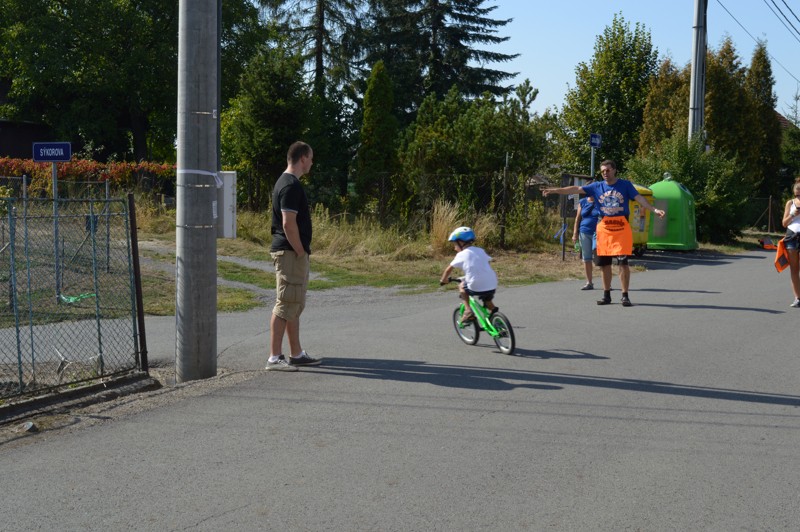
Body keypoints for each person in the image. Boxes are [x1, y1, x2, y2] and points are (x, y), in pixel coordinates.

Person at [543, 160, 666, 306]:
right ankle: (606, 295)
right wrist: (555, 190)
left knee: (623, 263)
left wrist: (654, 210)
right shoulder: (596, 186)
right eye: (602, 171)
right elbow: (576, 189)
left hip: (621, 228)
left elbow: (640, 199)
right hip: (604, 228)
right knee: (604, 264)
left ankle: (625, 295)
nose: (605, 173)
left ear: (614, 170)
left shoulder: (625, 185)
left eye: (608, 170)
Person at [266, 141, 322, 371]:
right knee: (285, 302)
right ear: (302, 158)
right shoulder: (290, 185)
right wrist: (300, 251)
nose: (311, 162)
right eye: (310, 158)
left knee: (294, 303)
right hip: (290, 252)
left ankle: (296, 353)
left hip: (291, 252)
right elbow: (289, 224)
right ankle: (275, 358)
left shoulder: (288, 182)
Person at [439, 226, 498, 322]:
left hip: (476, 284)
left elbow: (448, 270)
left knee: (462, 286)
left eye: (455, 244)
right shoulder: (480, 250)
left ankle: (468, 311)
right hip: (492, 283)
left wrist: (443, 280)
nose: (454, 248)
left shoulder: (461, 254)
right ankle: (495, 313)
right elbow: (485, 264)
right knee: (486, 297)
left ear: (461, 242)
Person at [572, 194, 599, 290]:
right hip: (584, 232)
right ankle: (589, 282)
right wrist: (575, 233)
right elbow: (577, 218)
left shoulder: (600, 200)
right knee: (586, 258)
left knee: (598, 254)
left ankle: (607, 281)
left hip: (598, 232)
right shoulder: (582, 202)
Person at [781, 177, 800, 308]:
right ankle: (797, 298)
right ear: (794, 191)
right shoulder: (790, 203)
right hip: (792, 236)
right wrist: (793, 214)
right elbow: (784, 223)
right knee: (794, 268)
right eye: (797, 190)